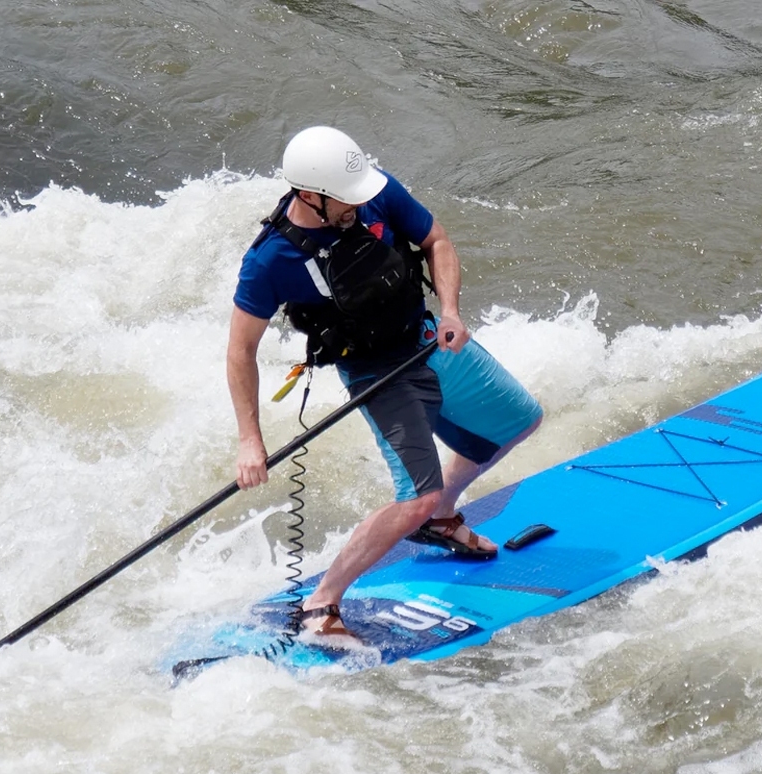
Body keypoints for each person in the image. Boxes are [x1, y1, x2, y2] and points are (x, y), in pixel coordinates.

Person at [226, 125, 542, 642]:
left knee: (519, 419)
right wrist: (250, 439)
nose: (360, 205)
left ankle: (440, 520)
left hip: (427, 340)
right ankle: (321, 602)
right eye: (345, 202)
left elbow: (437, 240)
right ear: (310, 196)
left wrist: (452, 311)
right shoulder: (269, 261)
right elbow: (241, 351)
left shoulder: (374, 191)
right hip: (377, 375)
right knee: (413, 496)